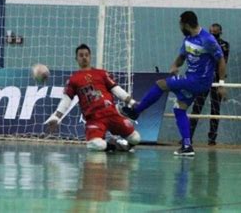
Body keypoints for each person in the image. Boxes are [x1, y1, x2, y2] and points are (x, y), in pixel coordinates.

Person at [122, 11, 227, 156]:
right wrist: (174, 66)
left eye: (180, 24)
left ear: (186, 24)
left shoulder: (207, 40)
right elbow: (181, 57)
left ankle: (136, 111)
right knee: (179, 108)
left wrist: (221, 83)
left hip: (199, 80)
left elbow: (221, 60)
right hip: (191, 78)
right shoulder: (188, 39)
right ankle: (187, 146)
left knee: (161, 84)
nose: (179, 27)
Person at [44, 44, 140, 151]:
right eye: (81, 55)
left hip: (111, 113)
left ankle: (123, 145)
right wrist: (57, 117)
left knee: (136, 139)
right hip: (94, 119)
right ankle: (112, 145)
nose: (84, 57)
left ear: (90, 57)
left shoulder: (102, 73)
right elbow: (66, 99)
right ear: (76, 59)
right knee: (95, 145)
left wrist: (131, 101)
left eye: (86, 55)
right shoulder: (73, 79)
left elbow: (116, 89)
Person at [189, 23, 230, 145]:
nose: (213, 34)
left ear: (220, 32)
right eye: (211, 32)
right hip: (204, 78)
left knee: (215, 109)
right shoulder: (202, 42)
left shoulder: (224, 45)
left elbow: (222, 60)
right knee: (197, 106)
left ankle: (212, 138)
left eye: (215, 32)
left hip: (217, 79)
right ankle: (188, 136)